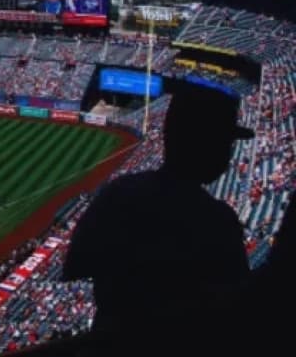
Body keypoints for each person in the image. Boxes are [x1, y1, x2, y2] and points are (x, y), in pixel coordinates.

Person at [62, 82, 255, 355]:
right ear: (205, 143)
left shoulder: (117, 194)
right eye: (225, 141)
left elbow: (76, 267)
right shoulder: (217, 221)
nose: (228, 152)